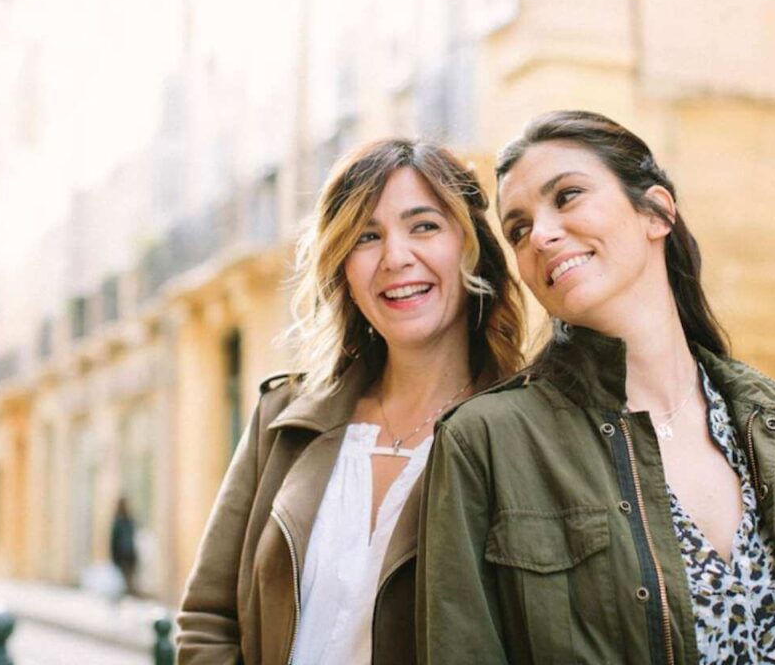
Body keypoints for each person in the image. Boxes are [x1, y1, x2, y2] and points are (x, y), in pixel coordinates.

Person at [417, 110, 775, 664]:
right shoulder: (486, 442)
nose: (542, 235)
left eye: (568, 196)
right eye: (519, 229)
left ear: (656, 211)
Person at [177, 139, 524, 664]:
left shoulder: (523, 436)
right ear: (343, 270)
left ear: (470, 247)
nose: (395, 258)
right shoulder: (284, 422)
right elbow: (207, 622)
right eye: (366, 236)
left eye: (424, 226)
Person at [110, 496, 138, 597]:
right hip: (127, 553)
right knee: (126, 578)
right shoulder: (126, 521)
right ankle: (127, 594)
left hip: (125, 554)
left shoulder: (122, 521)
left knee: (127, 578)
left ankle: (127, 594)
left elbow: (114, 540)